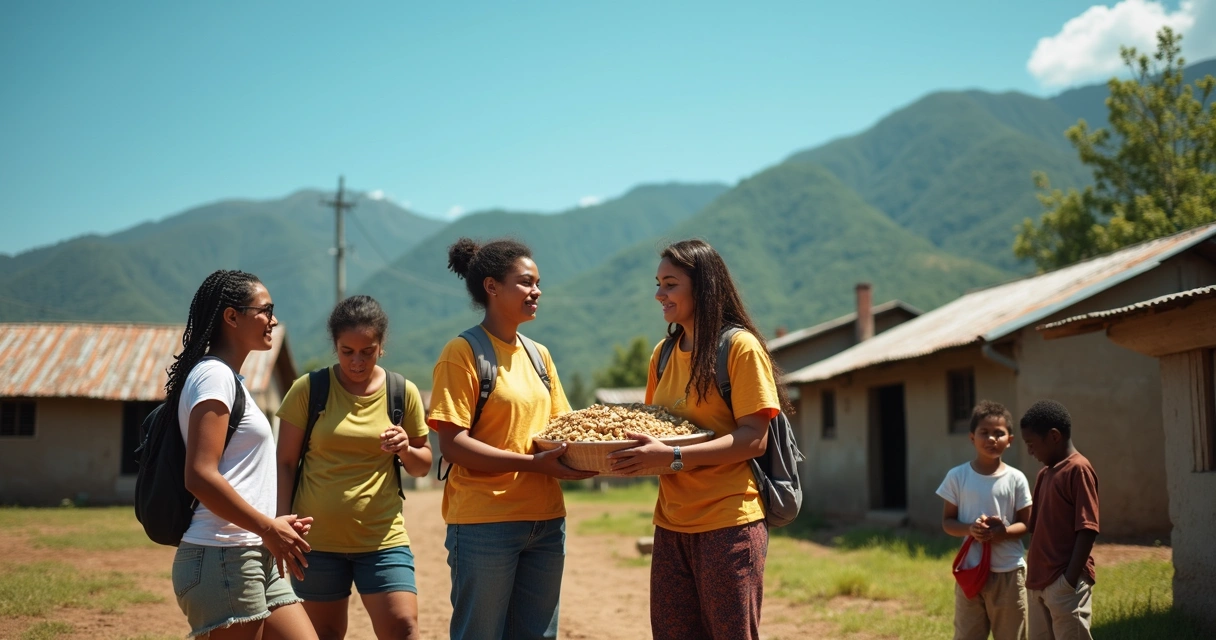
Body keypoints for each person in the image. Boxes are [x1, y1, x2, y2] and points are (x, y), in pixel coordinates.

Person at [608, 238, 787, 640]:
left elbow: (754, 439)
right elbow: (655, 428)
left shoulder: (739, 348)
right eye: (658, 283)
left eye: (670, 284)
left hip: (728, 524)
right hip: (671, 525)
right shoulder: (663, 354)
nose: (659, 294)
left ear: (702, 286)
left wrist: (670, 457)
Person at [428, 237, 596, 640]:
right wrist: (531, 464)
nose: (536, 291)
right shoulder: (463, 352)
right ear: (491, 287)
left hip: (546, 519)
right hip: (485, 523)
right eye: (525, 282)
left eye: (538, 283)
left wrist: (601, 452)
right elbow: (452, 444)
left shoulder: (539, 355)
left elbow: (565, 429)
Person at [170, 269, 318, 640]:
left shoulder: (230, 380)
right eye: (265, 310)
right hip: (223, 555)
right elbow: (200, 474)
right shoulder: (214, 377)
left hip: (254, 551)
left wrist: (273, 524)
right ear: (232, 316)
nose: (274, 319)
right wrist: (269, 527)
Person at [275, 295, 432, 640]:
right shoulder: (309, 390)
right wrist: (281, 528)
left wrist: (406, 447)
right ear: (335, 345)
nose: (357, 361)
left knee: (403, 627)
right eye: (348, 352)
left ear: (381, 346)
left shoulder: (400, 392)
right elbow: (285, 463)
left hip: (382, 538)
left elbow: (423, 465)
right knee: (324, 633)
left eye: (368, 351)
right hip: (315, 543)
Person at [937, 400, 1033, 640]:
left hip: (1009, 573)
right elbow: (948, 522)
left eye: (999, 433)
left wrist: (1003, 532)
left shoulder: (1016, 479)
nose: (992, 439)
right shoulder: (957, 476)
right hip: (971, 571)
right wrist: (971, 529)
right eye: (985, 432)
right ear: (972, 437)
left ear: (1010, 440)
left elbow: (1027, 523)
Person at [1020, 400, 1100, 640]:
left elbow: (1087, 529)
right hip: (1038, 584)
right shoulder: (1045, 473)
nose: (1029, 451)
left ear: (1054, 436)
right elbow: (1039, 529)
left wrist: (1068, 582)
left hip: (1064, 585)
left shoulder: (1078, 469)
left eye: (1031, 443)